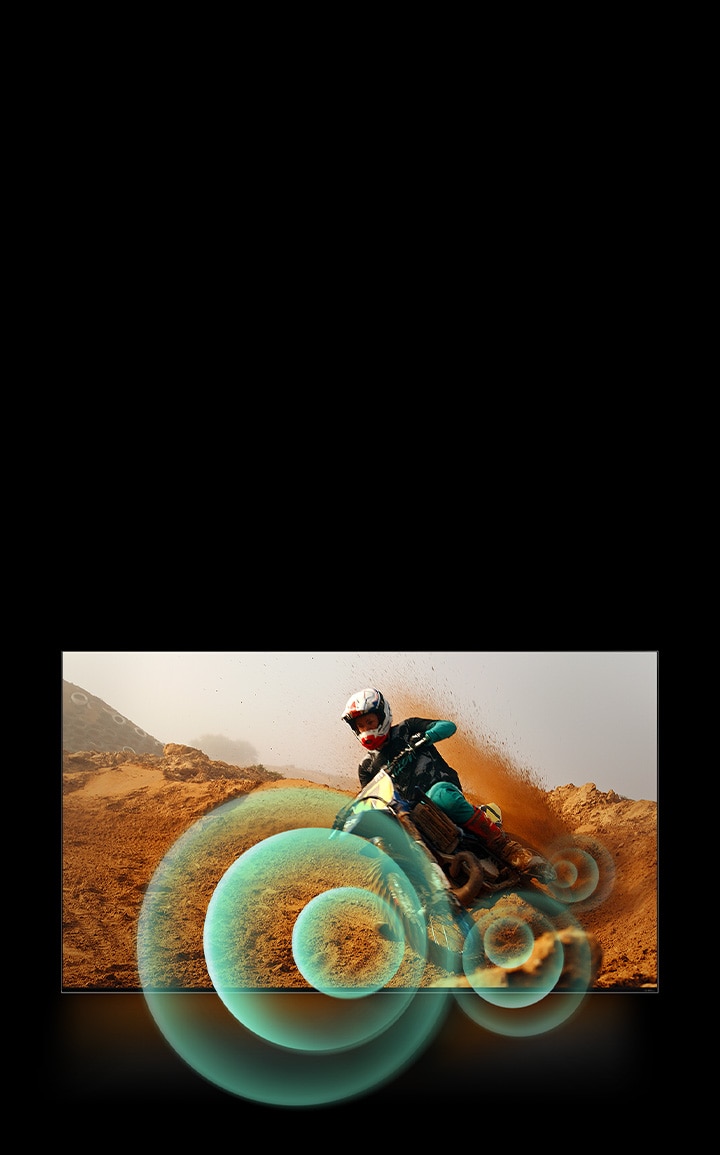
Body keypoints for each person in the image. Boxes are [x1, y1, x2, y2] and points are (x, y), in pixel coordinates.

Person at [341, 687, 549, 875]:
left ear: (383, 716)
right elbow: (372, 798)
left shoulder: (407, 729)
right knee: (385, 840)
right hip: (409, 814)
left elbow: (448, 726)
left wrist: (426, 737)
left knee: (441, 795)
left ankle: (509, 849)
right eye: (360, 725)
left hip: (439, 792)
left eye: (370, 722)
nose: (366, 728)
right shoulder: (367, 767)